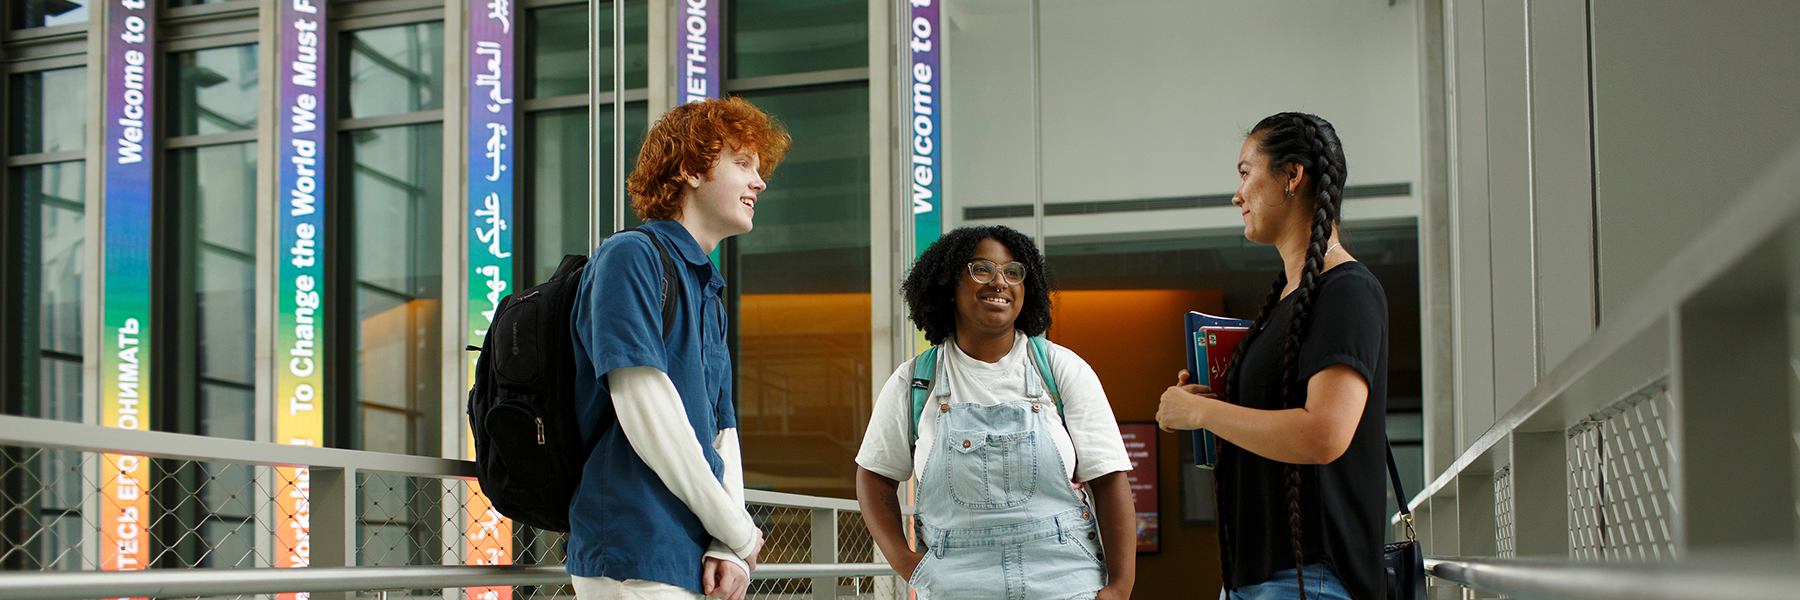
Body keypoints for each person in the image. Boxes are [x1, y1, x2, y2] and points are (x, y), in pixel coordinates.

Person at [1156, 113, 1389, 600]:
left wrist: (1204, 411)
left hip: (1310, 580)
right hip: (1261, 578)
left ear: (1291, 176)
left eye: (1245, 172)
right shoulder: (1289, 301)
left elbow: (1324, 434)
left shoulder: (1346, 291)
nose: (1236, 195)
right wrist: (1213, 399)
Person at [567, 97, 790, 600]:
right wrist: (736, 531)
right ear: (690, 169)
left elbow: (722, 432)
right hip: (634, 549)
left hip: (691, 555)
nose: (759, 182)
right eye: (742, 163)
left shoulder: (707, 288)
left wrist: (729, 544)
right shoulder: (632, 256)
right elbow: (647, 411)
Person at [856, 225, 1138, 600]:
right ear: (949, 287)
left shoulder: (1060, 369)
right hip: (955, 585)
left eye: (1012, 272)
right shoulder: (915, 382)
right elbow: (874, 477)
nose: (999, 282)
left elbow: (1109, 479)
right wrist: (906, 562)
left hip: (1066, 583)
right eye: (981, 270)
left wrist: (1120, 587)